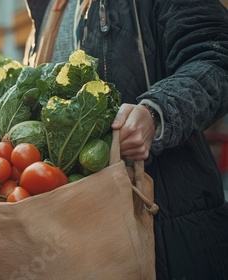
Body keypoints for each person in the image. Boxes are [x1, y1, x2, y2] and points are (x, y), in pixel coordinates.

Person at [23, 0, 228, 279]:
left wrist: (156, 112)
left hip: (167, 219)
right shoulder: (47, 9)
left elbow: (215, 56)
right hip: (73, 235)